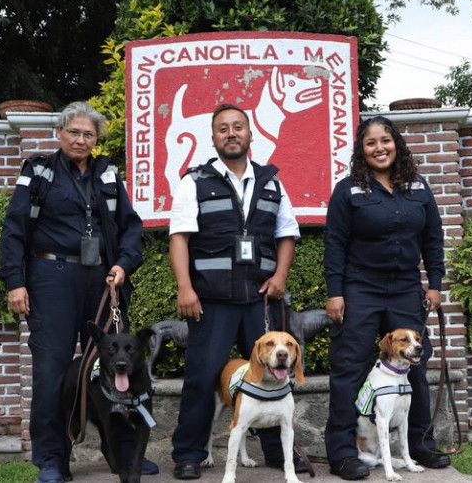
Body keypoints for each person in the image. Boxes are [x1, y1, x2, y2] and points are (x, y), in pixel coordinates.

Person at [0, 101, 153, 483]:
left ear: (96, 139)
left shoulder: (108, 173)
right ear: (59, 133)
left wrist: (123, 265)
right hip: (51, 277)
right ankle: (52, 460)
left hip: (103, 279)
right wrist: (15, 281)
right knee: (51, 373)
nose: (81, 140)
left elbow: (131, 228)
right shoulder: (38, 171)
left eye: (89, 134)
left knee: (120, 366)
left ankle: (126, 456)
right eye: (75, 132)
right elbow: (14, 228)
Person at [168, 104, 303, 480]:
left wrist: (280, 276)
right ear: (213, 138)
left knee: (274, 374)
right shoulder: (194, 180)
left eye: (238, 127)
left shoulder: (272, 182)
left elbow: (286, 233)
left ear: (250, 133)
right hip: (211, 301)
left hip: (260, 297)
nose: (231, 133)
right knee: (200, 377)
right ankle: (188, 455)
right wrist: (185, 288)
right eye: (223, 128)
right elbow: (179, 237)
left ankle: (278, 454)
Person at [322, 115, 450, 480]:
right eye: (371, 143)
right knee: (350, 369)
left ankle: (420, 445)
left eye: (385, 140)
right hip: (360, 288)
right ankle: (344, 453)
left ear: (397, 143)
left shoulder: (419, 187)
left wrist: (435, 283)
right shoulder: (348, 190)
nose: (380, 148)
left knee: (415, 368)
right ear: (362, 151)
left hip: (406, 289)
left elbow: (433, 240)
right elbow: (335, 244)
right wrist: (335, 292)